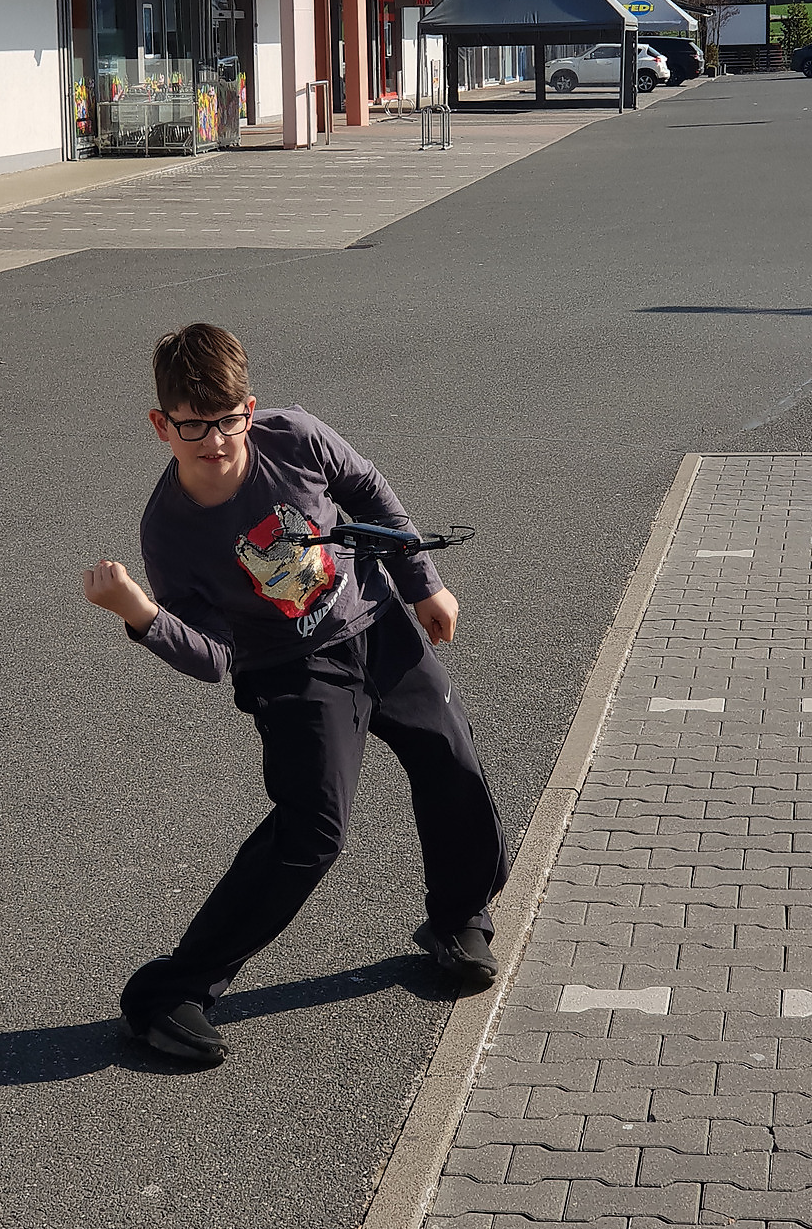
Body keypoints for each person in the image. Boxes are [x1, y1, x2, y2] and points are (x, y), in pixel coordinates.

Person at [82, 322, 510, 1066]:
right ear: (162, 425)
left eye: (228, 420)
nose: (215, 441)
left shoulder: (296, 436)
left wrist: (422, 581)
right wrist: (141, 615)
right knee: (313, 830)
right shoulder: (171, 531)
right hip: (289, 669)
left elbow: (367, 490)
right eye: (193, 426)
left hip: (376, 624)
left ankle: (458, 917)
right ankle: (169, 995)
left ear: (249, 409)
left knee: (450, 760)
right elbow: (213, 656)